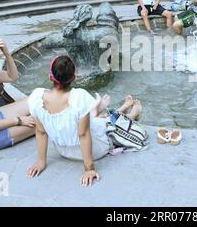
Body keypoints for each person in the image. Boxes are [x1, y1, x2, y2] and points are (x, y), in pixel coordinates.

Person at [26, 55, 143, 187]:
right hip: (95, 150)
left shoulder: (36, 98)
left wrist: (41, 163)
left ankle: (122, 109)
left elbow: (41, 132)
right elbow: (83, 135)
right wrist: (90, 169)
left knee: (97, 119)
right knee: (105, 123)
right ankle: (132, 114)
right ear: (74, 77)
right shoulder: (79, 97)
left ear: (50, 77)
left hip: (63, 152)